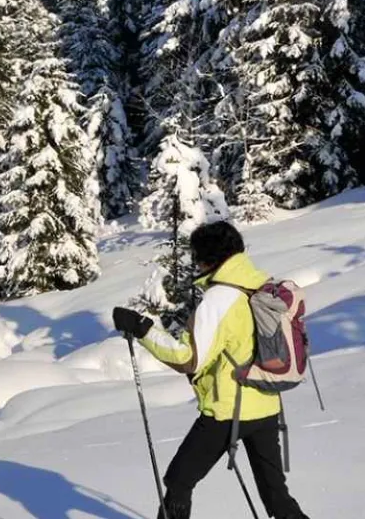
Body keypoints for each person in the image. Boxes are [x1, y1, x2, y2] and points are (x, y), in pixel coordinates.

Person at [113, 221, 310, 519]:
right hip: (267, 404)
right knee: (275, 494)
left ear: (208, 259)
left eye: (197, 257)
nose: (195, 264)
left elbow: (188, 358)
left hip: (227, 411)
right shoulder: (261, 283)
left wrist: (143, 330)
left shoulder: (219, 299)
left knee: (179, 482)